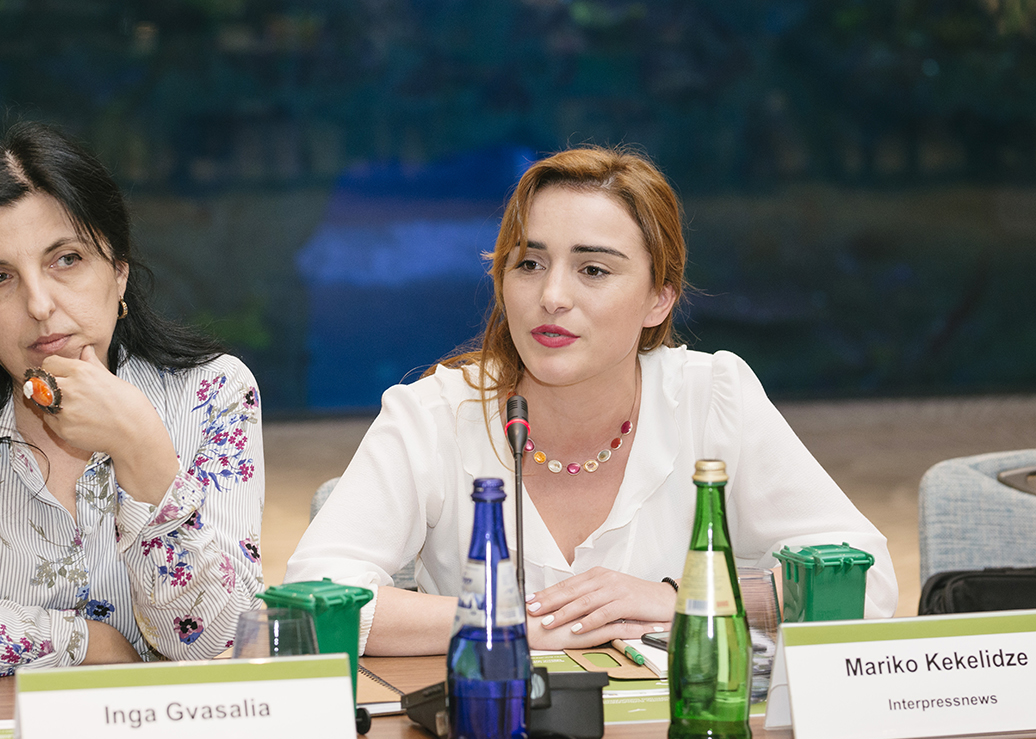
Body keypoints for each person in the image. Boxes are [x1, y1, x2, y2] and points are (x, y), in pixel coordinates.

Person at [284, 145, 897, 656]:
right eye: (530, 264)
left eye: (594, 270)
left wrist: (685, 599)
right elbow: (311, 604)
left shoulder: (713, 397)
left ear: (659, 299)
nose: (552, 296)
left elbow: (866, 584)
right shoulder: (433, 415)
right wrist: (509, 622)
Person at [0, 123, 263, 681]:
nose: (40, 305)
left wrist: (140, 447)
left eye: (66, 259)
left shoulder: (212, 393)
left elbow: (223, 641)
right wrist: (82, 642)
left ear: (118, 270)